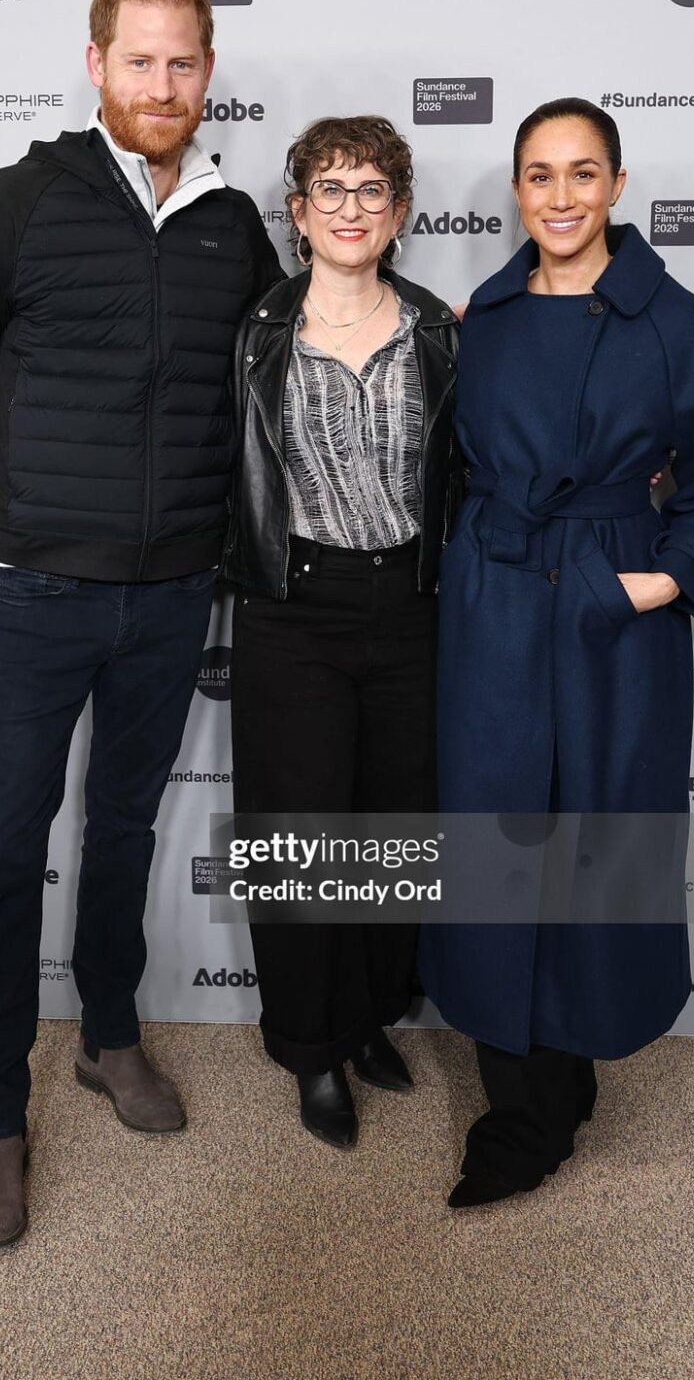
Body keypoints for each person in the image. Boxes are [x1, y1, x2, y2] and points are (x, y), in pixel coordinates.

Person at [0, 0, 282, 1249]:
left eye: (181, 63)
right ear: (95, 65)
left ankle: (108, 1033)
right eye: (139, 61)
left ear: (206, 73)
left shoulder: (232, 222)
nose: (161, 84)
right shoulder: (14, 203)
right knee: (7, 852)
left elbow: (270, 380)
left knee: (123, 826)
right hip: (40, 592)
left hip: (171, 594)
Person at [420, 97, 694, 1208]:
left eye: (581, 173)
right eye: (538, 174)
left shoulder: (675, 321)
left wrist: (650, 585)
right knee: (493, 837)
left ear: (616, 186)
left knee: (597, 837)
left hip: (609, 608)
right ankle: (520, 1106)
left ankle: (568, 1071)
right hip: (494, 599)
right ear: (516, 191)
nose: (559, 196)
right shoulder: (485, 314)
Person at [223, 116, 460, 1148]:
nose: (350, 209)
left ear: (399, 211)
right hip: (294, 607)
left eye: (371, 190)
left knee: (393, 830)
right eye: (330, 189)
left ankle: (367, 1019)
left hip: (411, 607)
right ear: (298, 211)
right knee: (299, 839)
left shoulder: (440, 330)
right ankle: (308, 1047)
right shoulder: (255, 333)